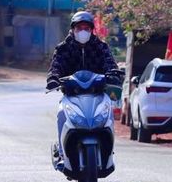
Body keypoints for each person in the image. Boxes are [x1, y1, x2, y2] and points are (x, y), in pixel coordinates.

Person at [47, 11, 122, 147]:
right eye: (79, 28)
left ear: (91, 30)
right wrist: (53, 78)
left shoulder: (101, 47)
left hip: (98, 94)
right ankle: (62, 150)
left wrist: (113, 75)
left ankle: (108, 149)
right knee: (61, 114)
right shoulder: (63, 48)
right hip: (71, 95)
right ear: (73, 29)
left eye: (86, 29)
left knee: (108, 114)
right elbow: (56, 66)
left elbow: (110, 64)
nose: (83, 31)